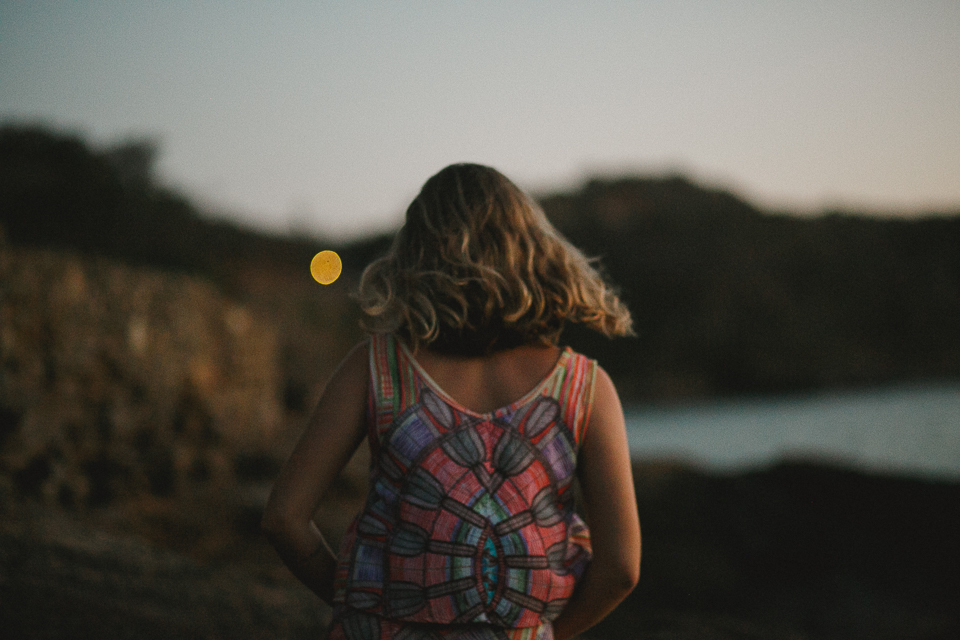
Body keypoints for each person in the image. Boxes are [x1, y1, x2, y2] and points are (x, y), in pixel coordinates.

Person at [262, 164, 641, 640]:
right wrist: (544, 632)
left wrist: (360, 603)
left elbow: (284, 518)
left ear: (416, 255)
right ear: (532, 251)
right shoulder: (585, 386)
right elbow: (622, 568)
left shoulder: (375, 367)